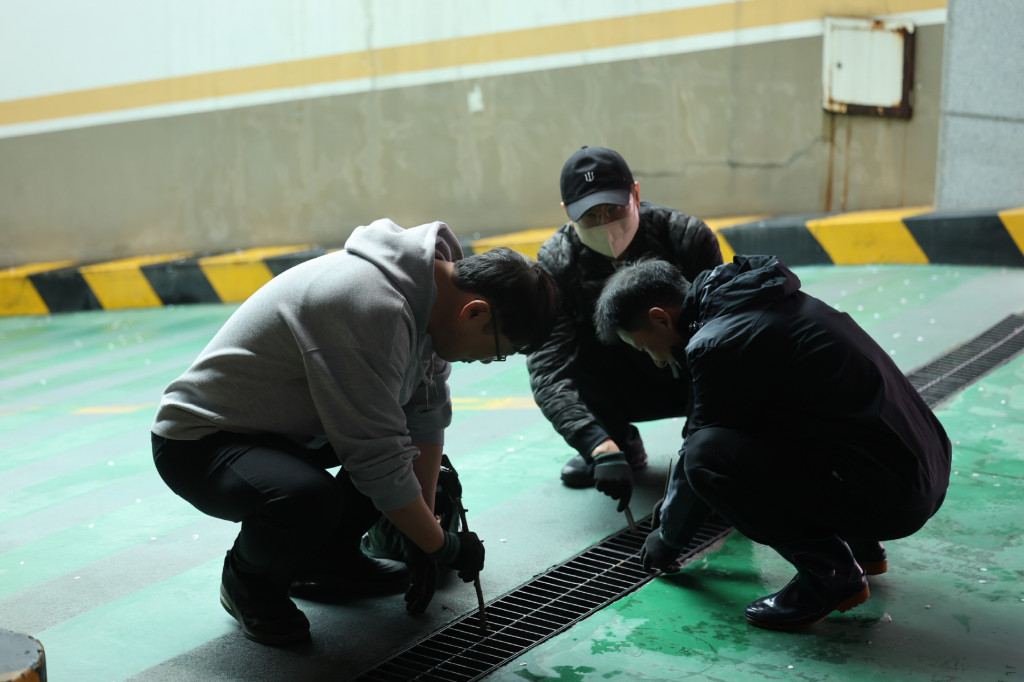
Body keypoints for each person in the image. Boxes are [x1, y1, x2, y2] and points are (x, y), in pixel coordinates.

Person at [151, 218, 560, 645]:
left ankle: (324, 561)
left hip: (285, 430)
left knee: (406, 461)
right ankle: (247, 583)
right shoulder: (371, 307)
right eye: (497, 352)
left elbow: (425, 418)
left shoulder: (431, 301)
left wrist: (421, 534)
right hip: (201, 442)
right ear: (475, 312)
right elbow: (377, 459)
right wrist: (441, 545)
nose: (486, 361)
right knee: (307, 498)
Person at [593, 256, 952, 630]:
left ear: (660, 319)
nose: (655, 361)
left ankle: (829, 574)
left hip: (892, 497)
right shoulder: (762, 301)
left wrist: (668, 537)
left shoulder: (719, 341)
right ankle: (863, 545)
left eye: (643, 347)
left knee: (706, 458)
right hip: (920, 471)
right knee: (761, 425)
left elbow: (699, 449)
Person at [527, 146, 723, 511]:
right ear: (567, 213)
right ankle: (617, 443)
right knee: (573, 350)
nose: (605, 224)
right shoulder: (556, 262)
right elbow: (548, 368)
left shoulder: (686, 238)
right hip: (620, 385)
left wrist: (698, 447)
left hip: (689, 374)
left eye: (614, 209)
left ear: (635, 193)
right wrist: (595, 443)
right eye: (589, 215)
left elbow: (720, 343)